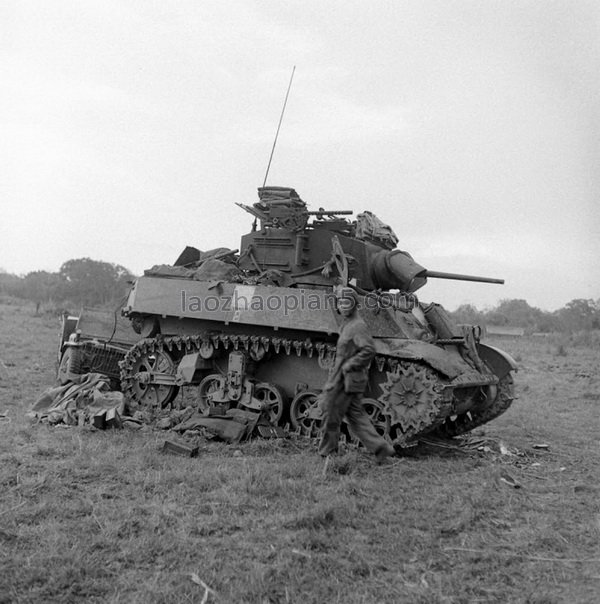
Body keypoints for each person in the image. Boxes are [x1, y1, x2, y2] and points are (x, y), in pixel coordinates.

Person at [318, 287, 395, 463]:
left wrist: (349, 365)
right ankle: (381, 448)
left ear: (354, 304)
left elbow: (368, 349)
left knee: (330, 412)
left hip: (346, 379)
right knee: (355, 416)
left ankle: (327, 452)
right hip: (349, 378)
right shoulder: (347, 324)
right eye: (340, 302)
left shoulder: (357, 326)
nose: (343, 306)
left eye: (347, 302)